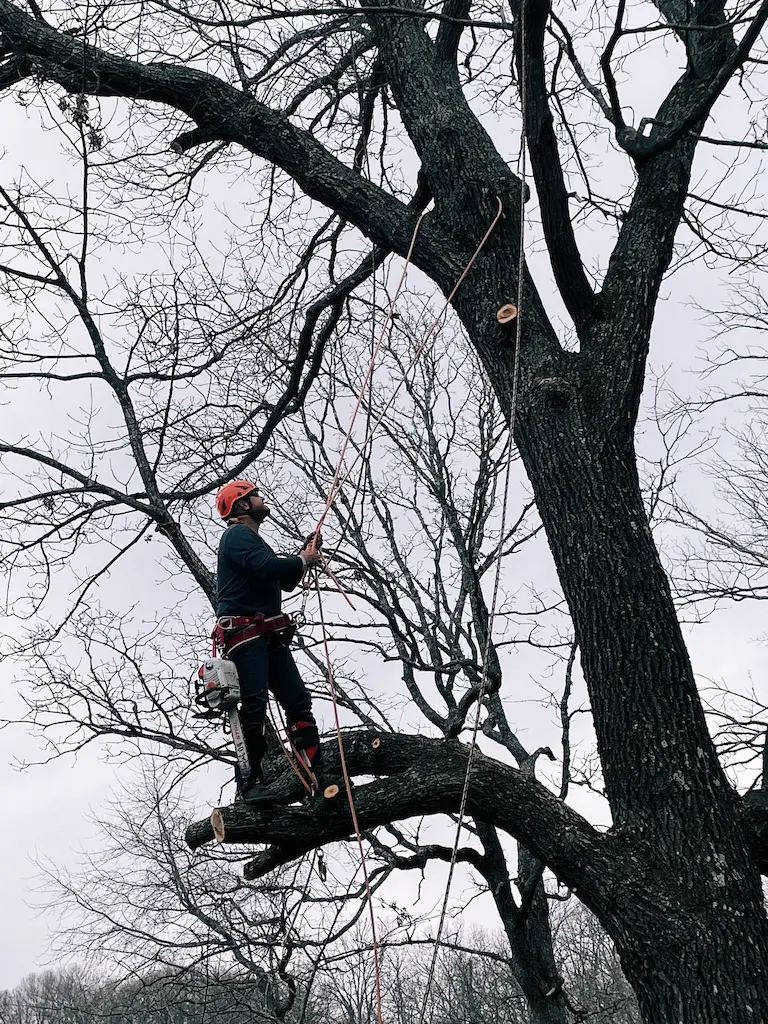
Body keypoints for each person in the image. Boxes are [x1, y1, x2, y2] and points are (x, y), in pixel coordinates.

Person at [214, 479, 325, 803]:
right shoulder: (236, 535)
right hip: (246, 634)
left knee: (298, 700)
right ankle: (249, 784)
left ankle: (317, 774)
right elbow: (265, 568)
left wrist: (304, 556)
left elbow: (286, 579)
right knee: (254, 704)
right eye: (255, 496)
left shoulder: (252, 540)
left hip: (268, 635)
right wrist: (303, 561)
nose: (262, 499)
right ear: (243, 506)